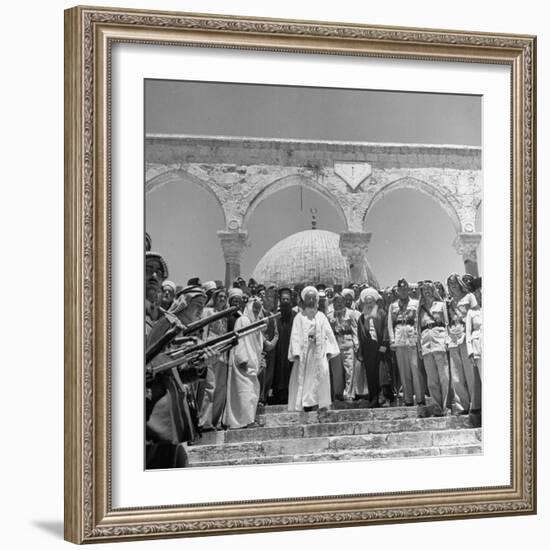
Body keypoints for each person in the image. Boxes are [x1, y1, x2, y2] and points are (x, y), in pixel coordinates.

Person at [145, 285, 219, 468]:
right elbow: (152, 365)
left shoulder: (178, 328)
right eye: (197, 304)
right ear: (184, 303)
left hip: (173, 412)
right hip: (160, 415)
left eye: (204, 305)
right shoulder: (166, 324)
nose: (201, 309)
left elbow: (176, 374)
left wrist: (201, 366)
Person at [287, 286, 340, 412]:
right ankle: (305, 403)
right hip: (305, 353)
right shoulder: (299, 317)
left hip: (319, 352)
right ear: (304, 300)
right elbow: (294, 335)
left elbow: (328, 335)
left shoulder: (321, 316)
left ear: (316, 300)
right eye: (308, 298)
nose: (311, 300)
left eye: (313, 298)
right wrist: (296, 352)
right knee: (305, 379)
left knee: (320, 376)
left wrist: (328, 351)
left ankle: (319, 403)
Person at [223, 298, 267, 429]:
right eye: (254, 308)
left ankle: (248, 420)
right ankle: (245, 421)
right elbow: (240, 340)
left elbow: (258, 346)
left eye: (258, 309)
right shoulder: (242, 320)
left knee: (252, 392)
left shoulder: (256, 323)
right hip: (242, 362)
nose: (256, 310)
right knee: (245, 392)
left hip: (252, 364)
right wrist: (242, 358)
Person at [197, 288, 229, 432]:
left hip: (222, 355)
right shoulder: (208, 312)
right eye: (220, 296)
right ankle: (205, 421)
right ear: (215, 298)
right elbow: (204, 332)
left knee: (221, 390)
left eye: (224, 297)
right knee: (210, 388)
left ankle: (215, 421)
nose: (222, 299)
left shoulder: (224, 316)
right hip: (210, 353)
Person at [388, 278, 424, 406]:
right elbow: (390, 324)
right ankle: (408, 399)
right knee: (403, 371)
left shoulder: (415, 303)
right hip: (399, 340)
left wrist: (418, 338)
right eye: (400, 289)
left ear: (408, 290)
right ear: (397, 291)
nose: (403, 291)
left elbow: (418, 321)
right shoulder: (393, 306)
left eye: (405, 289)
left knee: (416, 370)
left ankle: (420, 398)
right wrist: (392, 340)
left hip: (412, 338)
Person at [446, 273, 477, 415]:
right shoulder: (449, 302)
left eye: (455, 283)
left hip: (466, 335)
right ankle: (461, 406)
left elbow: (476, 315)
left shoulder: (469, 297)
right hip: (453, 337)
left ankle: (476, 404)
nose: (453, 286)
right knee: (456, 374)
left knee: (470, 373)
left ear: (459, 284)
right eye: (450, 284)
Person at [417, 281, 450, 416]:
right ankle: (436, 406)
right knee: (432, 379)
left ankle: (446, 405)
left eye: (430, 289)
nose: (427, 291)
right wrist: (419, 347)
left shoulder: (441, 305)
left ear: (434, 291)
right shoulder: (420, 309)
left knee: (444, 376)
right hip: (426, 343)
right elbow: (418, 329)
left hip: (439, 340)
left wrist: (447, 340)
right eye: (425, 290)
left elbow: (447, 323)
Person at [356, 287, 388, 407]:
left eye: (371, 301)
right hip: (368, 348)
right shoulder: (361, 317)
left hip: (379, 346)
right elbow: (360, 334)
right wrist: (361, 350)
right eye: (367, 301)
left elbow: (385, 329)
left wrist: (384, 344)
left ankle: (384, 396)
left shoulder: (381, 313)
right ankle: (373, 397)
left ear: (375, 301)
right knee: (370, 373)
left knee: (382, 373)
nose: (369, 303)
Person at [328, 293, 358, 401]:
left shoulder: (351, 314)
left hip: (348, 343)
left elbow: (355, 329)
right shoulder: (330, 315)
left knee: (349, 369)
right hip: (335, 345)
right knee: (337, 372)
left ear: (344, 302)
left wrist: (356, 344)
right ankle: (338, 394)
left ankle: (349, 394)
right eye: (336, 302)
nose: (339, 304)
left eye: (341, 301)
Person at [271, 287, 296, 404]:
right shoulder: (275, 317)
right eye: (283, 299)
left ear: (291, 300)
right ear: (280, 301)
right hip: (279, 350)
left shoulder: (296, 316)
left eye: (287, 299)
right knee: (279, 370)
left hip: (292, 349)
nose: (285, 301)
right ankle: (279, 395)